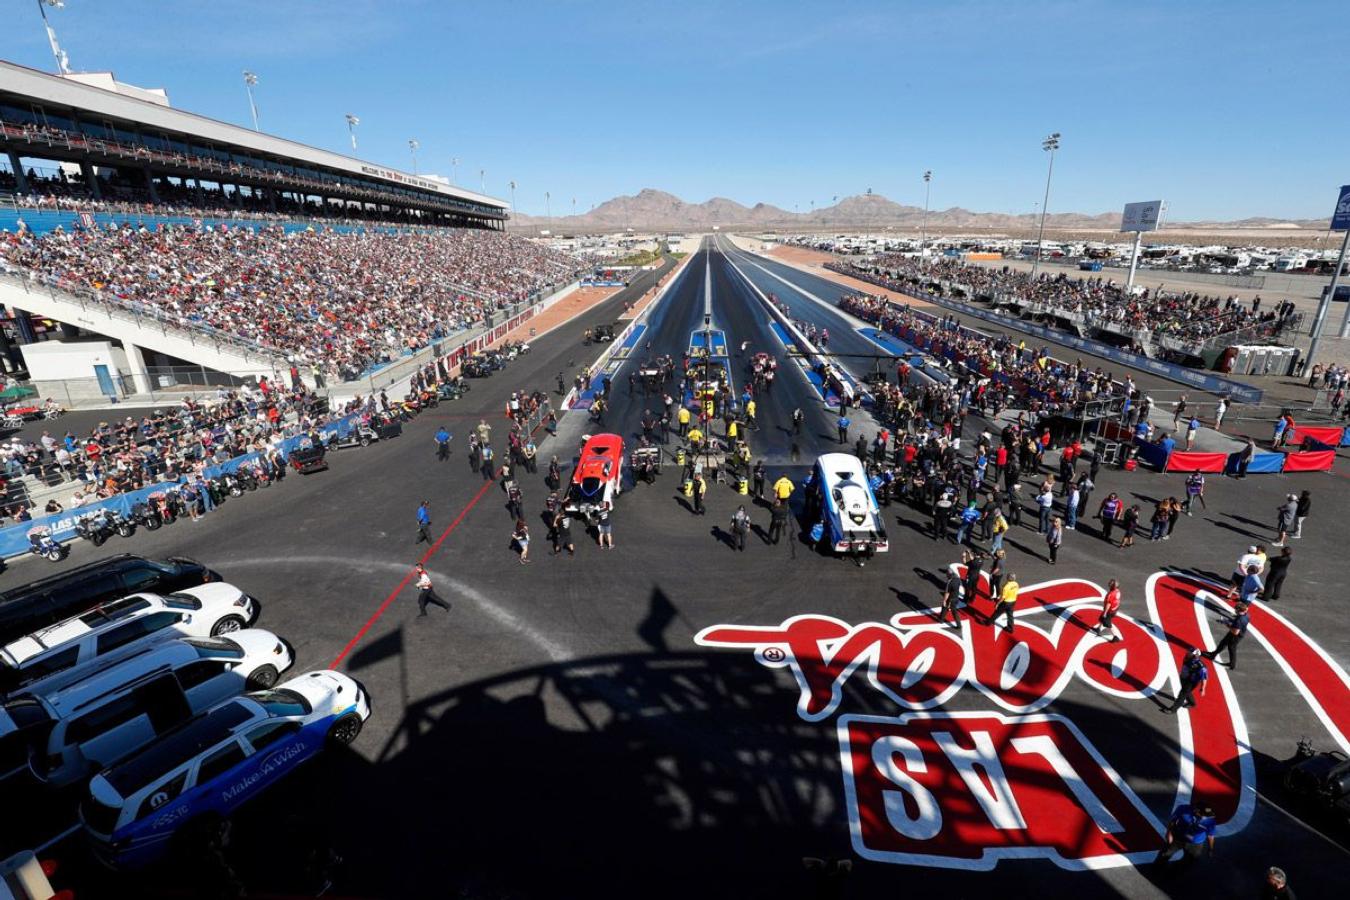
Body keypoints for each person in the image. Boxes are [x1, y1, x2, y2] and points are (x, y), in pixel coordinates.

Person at [1206, 600, 1250, 669]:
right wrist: (1229, 621)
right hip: (1239, 632)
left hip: (1236, 636)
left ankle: (1232, 664)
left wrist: (1226, 624)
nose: (1235, 610)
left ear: (1238, 610)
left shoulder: (1239, 620)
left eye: (1236, 609)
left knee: (1231, 648)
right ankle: (1213, 654)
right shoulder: (1246, 615)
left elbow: (1235, 632)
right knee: (1223, 643)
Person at [1164, 648, 1209, 713]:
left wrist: (1203, 688)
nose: (1188, 653)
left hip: (1191, 682)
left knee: (1182, 694)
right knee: (1187, 692)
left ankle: (1173, 710)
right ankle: (1191, 703)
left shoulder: (1201, 666)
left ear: (1195, 655)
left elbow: (1204, 678)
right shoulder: (1188, 658)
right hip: (1184, 677)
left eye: (1190, 653)